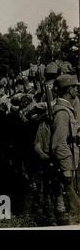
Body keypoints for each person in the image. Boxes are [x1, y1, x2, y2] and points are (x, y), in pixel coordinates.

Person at [51, 74, 80, 225]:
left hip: (72, 160)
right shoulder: (62, 112)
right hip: (67, 163)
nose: (77, 89)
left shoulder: (66, 109)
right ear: (69, 89)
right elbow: (59, 143)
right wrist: (66, 167)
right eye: (75, 87)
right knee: (71, 205)